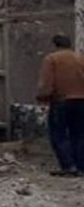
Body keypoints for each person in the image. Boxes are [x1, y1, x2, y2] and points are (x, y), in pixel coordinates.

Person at [36, 34, 84, 176]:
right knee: (79, 134)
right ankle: (80, 166)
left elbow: (47, 83)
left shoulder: (52, 59)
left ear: (54, 45)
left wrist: (43, 97)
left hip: (61, 101)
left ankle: (68, 166)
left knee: (59, 134)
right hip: (82, 101)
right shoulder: (81, 58)